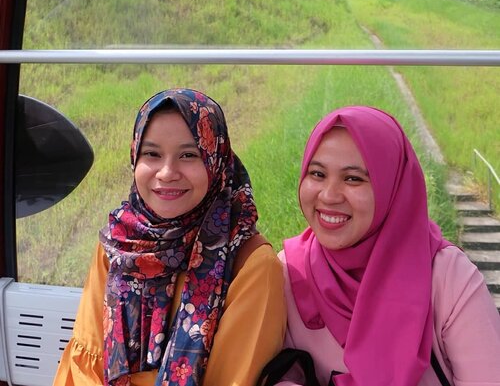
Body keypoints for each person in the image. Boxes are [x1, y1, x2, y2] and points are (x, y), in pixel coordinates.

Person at [53, 88, 286, 386]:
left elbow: (232, 380)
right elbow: (85, 364)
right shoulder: (120, 244)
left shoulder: (251, 266)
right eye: (152, 154)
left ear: (216, 161)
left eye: (188, 155)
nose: (166, 173)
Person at [274, 106, 500, 386]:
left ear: (393, 186)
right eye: (317, 174)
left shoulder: (448, 278)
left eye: (353, 178)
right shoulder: (286, 273)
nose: (329, 195)